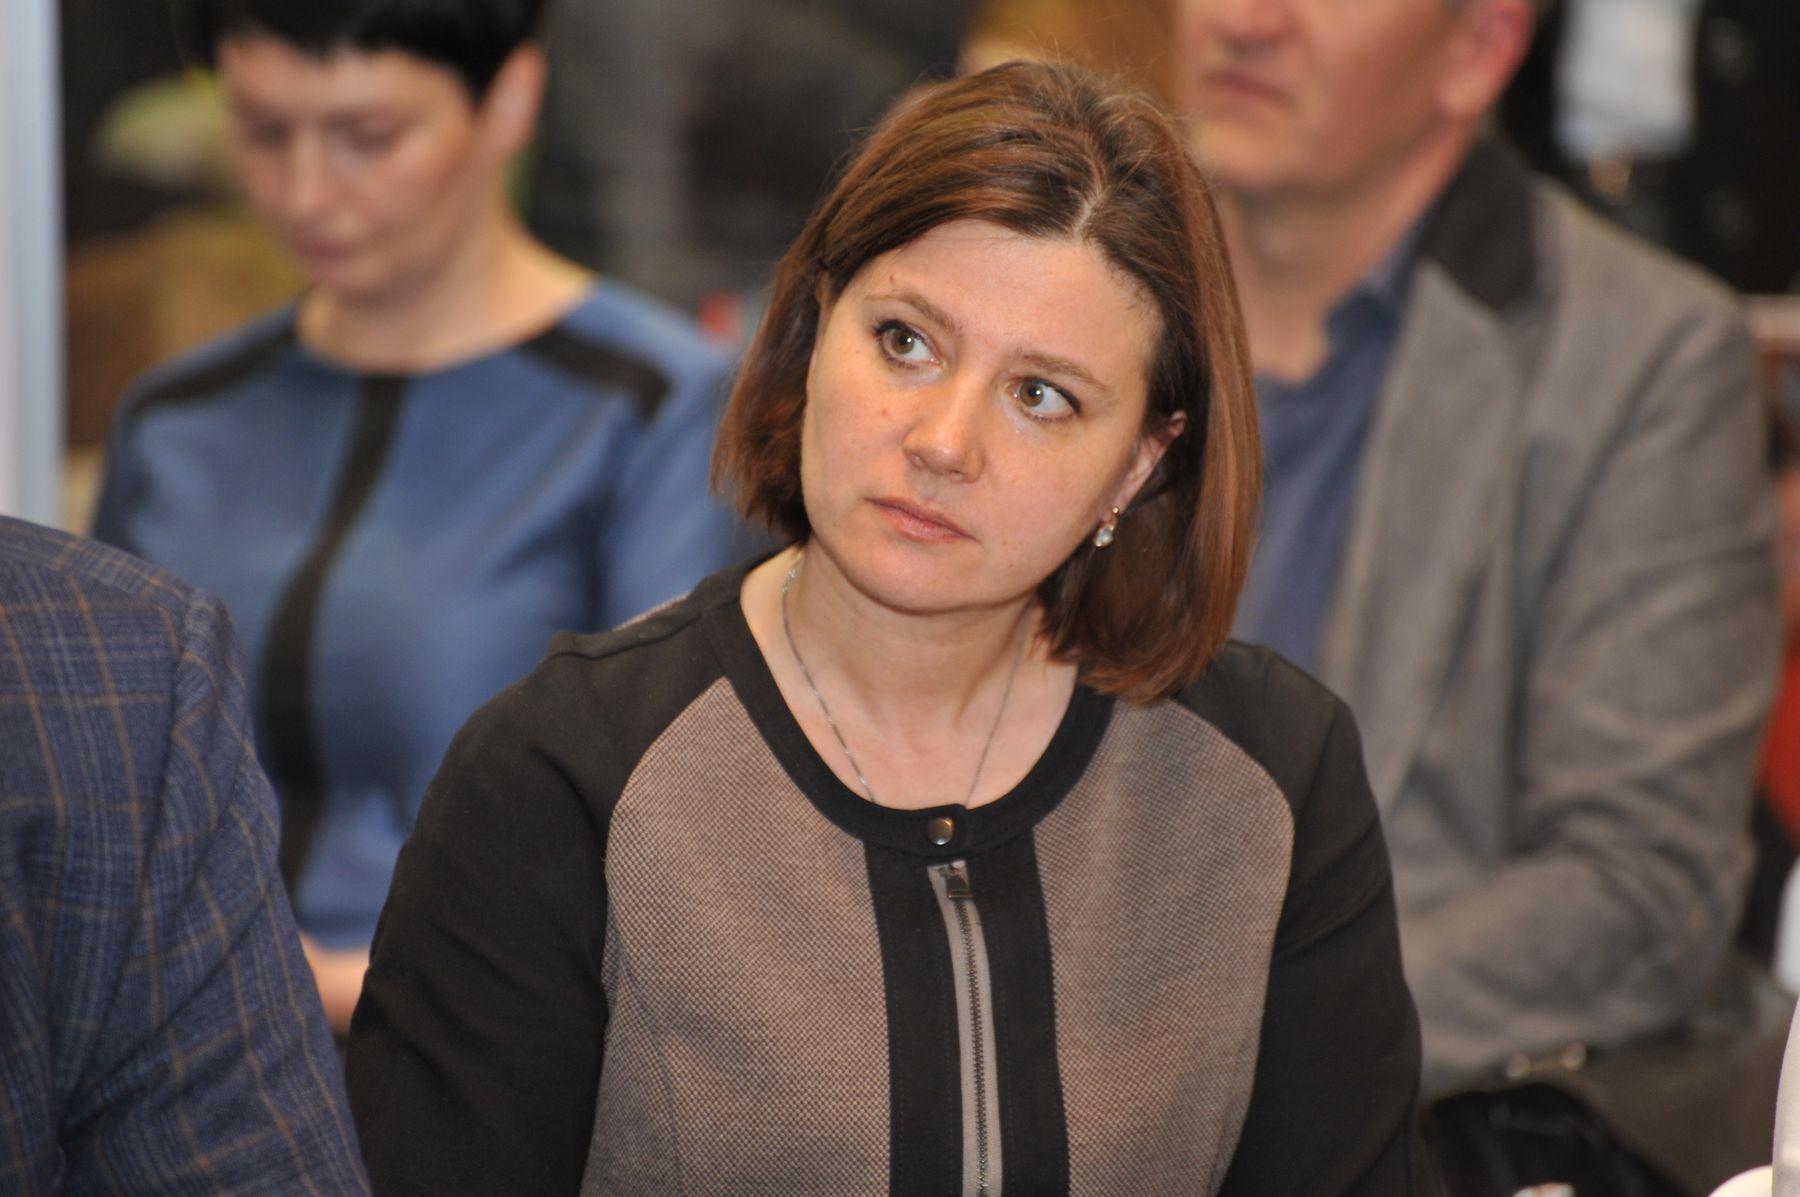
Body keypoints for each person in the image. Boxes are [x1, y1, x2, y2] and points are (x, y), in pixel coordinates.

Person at [346, 62, 1436, 1195]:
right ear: (816, 326)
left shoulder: (1271, 777)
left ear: (1141, 463)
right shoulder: (563, 775)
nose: (943, 442)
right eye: (907, 341)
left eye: (1041, 396)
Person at [1175, 0, 1781, 1186]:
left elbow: (1637, 891)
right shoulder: (1055, 297)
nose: (1244, 20)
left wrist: (1208, 1042)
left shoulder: (1642, 360)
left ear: (1479, 48)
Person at [91, 0, 753, 1033]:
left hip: (471, 1052)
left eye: (368, 137)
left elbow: (665, 844)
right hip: (177, 1055)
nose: (306, 191)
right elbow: (97, 788)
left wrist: (319, 987)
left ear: (510, 101)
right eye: (261, 131)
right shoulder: (177, 418)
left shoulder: (651, 410)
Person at [0, 516, 369, 1194]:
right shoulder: (108, 660)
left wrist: (354, 979)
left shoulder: (128, 654)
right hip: (236, 980)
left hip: (358, 1002)